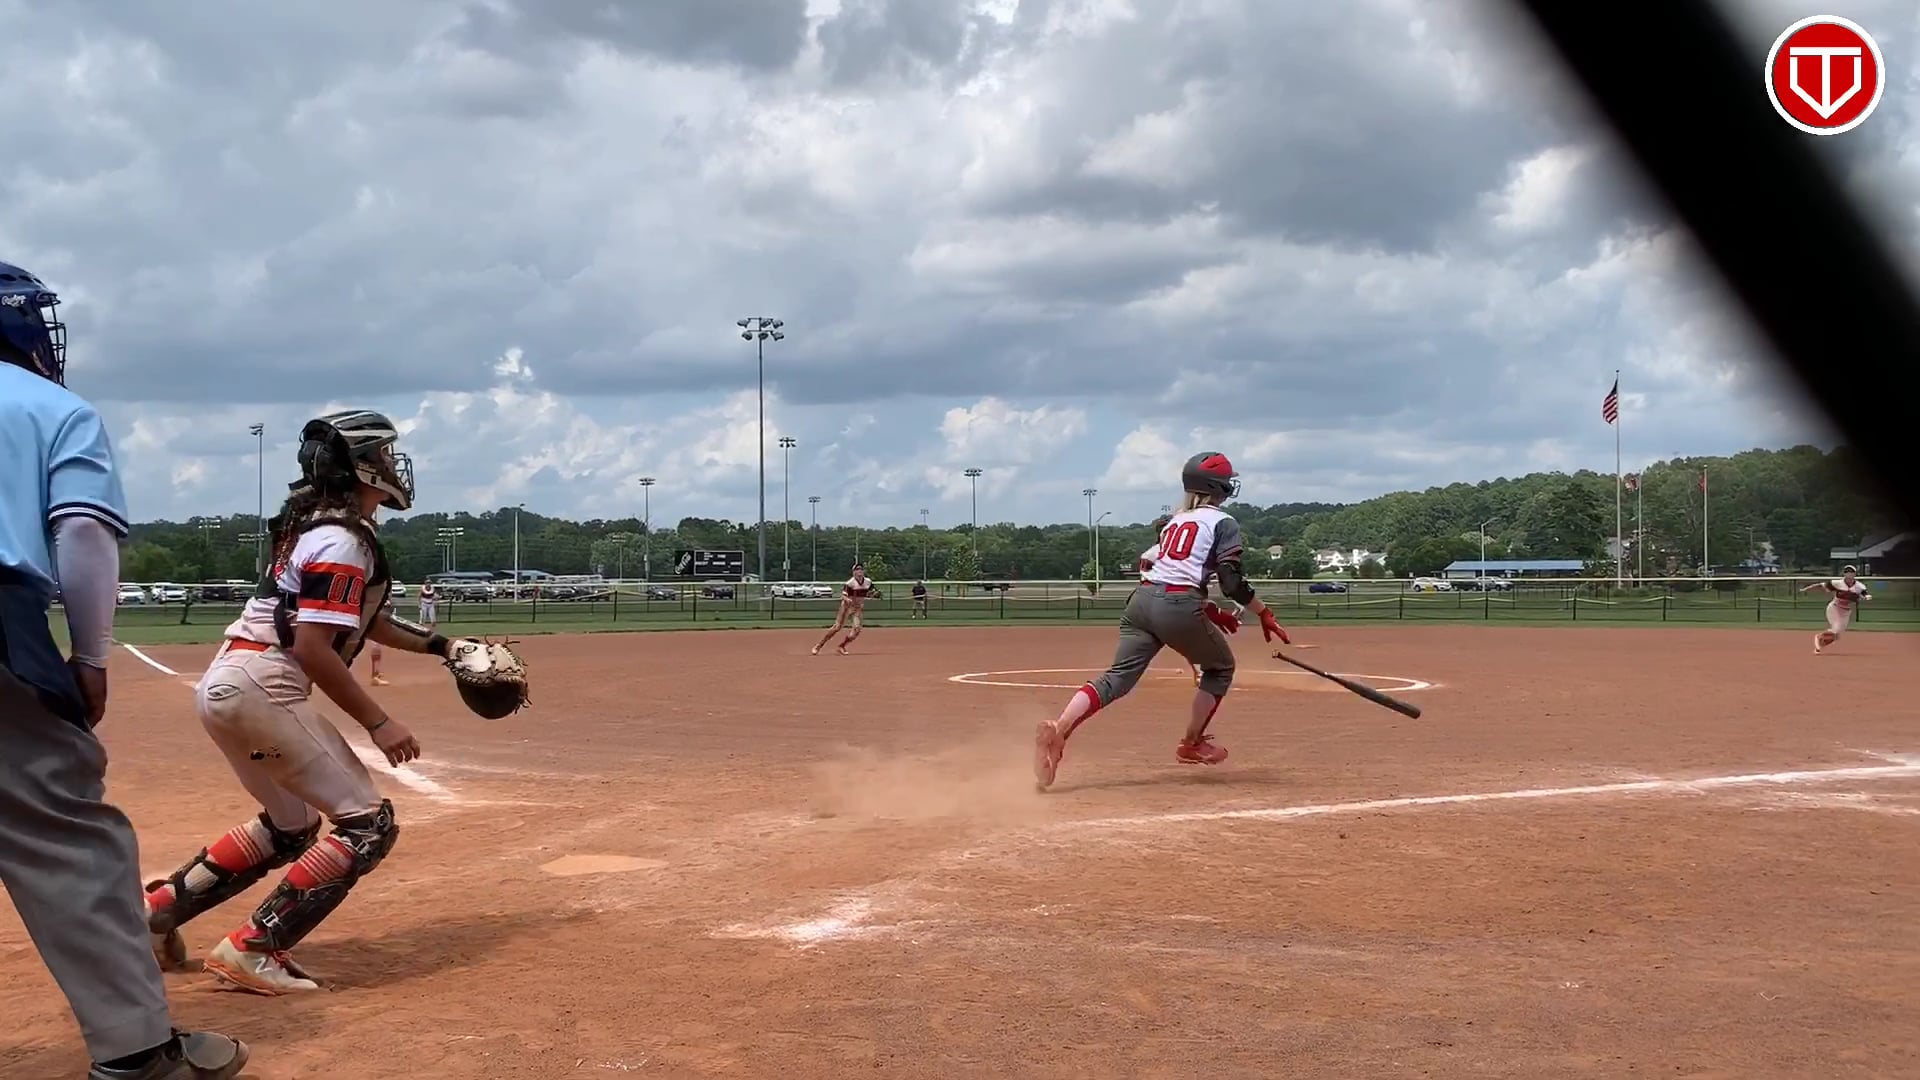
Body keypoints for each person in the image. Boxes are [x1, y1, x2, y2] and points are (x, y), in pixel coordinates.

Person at [0, 259, 251, 1078]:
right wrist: (91, 657)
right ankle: (137, 1051)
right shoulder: (51, 407)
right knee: (68, 839)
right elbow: (81, 532)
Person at [142, 409, 452, 996]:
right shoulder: (341, 540)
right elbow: (313, 647)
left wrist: (444, 645)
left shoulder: (316, 529)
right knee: (367, 825)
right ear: (361, 468)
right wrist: (379, 722)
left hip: (231, 682)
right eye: (383, 455)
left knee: (292, 827)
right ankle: (254, 948)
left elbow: (365, 622)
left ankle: (154, 914)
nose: (393, 464)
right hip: (263, 684)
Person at [1033, 452, 1290, 790]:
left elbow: (1171, 574)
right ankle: (1192, 744)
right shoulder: (1223, 522)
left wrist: (1211, 612)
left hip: (1141, 601)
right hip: (1177, 605)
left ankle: (1060, 728)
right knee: (1220, 668)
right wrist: (1264, 612)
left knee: (1116, 678)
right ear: (1220, 487)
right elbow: (1230, 583)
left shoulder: (1175, 521)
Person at [1136, 515, 1202, 688]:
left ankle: (1125, 673)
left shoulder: (1151, 553)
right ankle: (1200, 672)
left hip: (1150, 602)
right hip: (1169, 600)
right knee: (1189, 638)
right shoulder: (1160, 554)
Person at [1803, 565, 1871, 654]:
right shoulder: (1837, 583)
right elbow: (1821, 585)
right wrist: (1807, 588)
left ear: (1855, 574)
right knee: (1836, 629)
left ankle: (1820, 643)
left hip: (1846, 612)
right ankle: (1819, 637)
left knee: (1836, 635)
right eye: (1847, 572)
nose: (1849, 574)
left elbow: (1864, 593)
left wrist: (1866, 596)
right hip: (1834, 608)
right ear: (1844, 574)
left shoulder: (1859, 586)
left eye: (1851, 572)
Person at [812, 562, 875, 655]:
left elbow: (871, 592)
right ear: (853, 572)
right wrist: (848, 600)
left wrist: (874, 594)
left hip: (857, 608)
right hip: (846, 608)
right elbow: (843, 595)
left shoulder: (868, 582)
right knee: (836, 628)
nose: (860, 571)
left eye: (861, 569)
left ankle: (841, 646)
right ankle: (819, 645)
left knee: (857, 629)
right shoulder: (850, 583)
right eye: (857, 569)